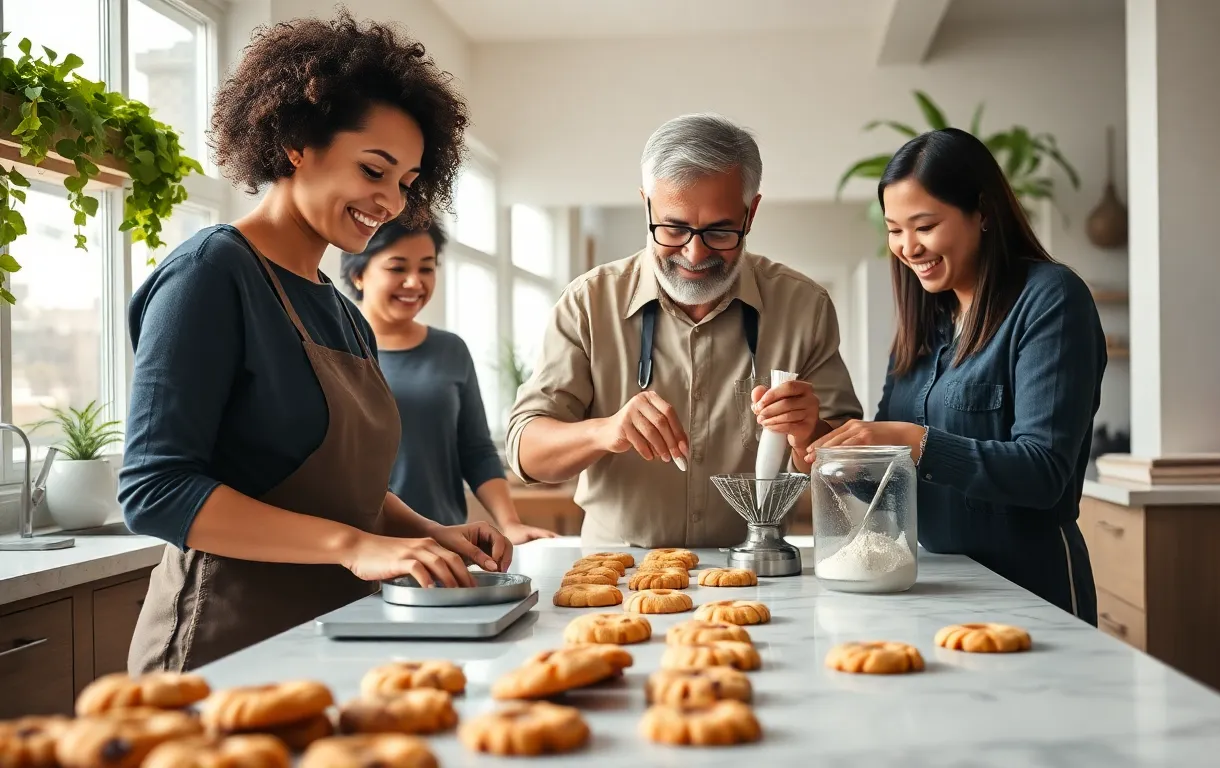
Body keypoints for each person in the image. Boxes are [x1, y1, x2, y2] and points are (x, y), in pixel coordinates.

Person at [117, 11, 512, 674]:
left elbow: (342, 488)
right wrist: (352, 545)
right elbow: (155, 488)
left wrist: (430, 533)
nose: (389, 201)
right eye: (374, 170)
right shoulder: (212, 275)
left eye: (406, 184)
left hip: (333, 636)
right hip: (221, 648)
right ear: (298, 142)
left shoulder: (342, 311)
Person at [507, 113, 863, 548]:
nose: (694, 254)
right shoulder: (587, 303)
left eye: (718, 231)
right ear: (647, 206)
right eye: (673, 228)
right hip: (614, 578)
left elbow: (853, 472)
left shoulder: (804, 307)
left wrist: (810, 434)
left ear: (749, 214)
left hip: (753, 572)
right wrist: (606, 431)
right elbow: (526, 451)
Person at [805, 128, 1104, 624]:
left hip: (1032, 591)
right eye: (894, 229)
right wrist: (815, 439)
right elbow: (884, 485)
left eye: (924, 226)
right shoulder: (925, 323)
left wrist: (913, 440)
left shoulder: (1051, 300)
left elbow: (1044, 471)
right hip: (938, 588)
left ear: (983, 213)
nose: (907, 247)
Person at [341, 221, 558, 543]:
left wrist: (509, 523)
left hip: (445, 541)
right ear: (359, 273)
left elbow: (476, 449)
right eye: (397, 268)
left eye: (427, 268)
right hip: (363, 546)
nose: (414, 282)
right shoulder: (335, 348)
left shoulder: (450, 349)